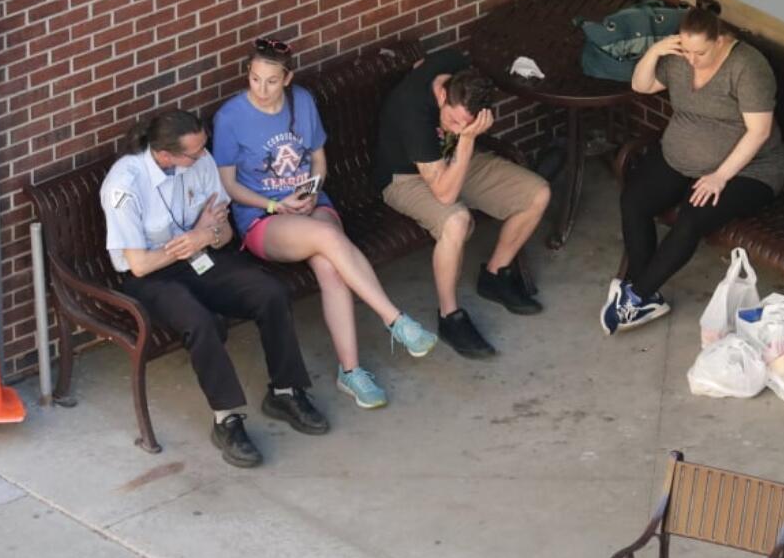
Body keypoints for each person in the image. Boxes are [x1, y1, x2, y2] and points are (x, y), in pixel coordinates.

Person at [212, 37, 437, 411]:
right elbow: (228, 184)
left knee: (330, 267)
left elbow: (318, 158)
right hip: (263, 218)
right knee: (327, 237)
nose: (262, 89)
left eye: (270, 81)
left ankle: (351, 371)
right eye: (254, 79)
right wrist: (274, 202)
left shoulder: (302, 101)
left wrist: (313, 190)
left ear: (287, 78)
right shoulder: (230, 117)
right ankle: (393, 318)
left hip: (311, 203)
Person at [100, 108, 328, 469]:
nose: (204, 155)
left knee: (269, 292)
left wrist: (204, 236)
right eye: (194, 152)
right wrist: (195, 237)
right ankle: (227, 420)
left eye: (203, 146)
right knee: (200, 321)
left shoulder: (200, 161)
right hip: (151, 278)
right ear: (165, 155)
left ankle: (285, 391)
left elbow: (222, 237)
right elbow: (140, 263)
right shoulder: (124, 185)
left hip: (199, 257)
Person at [602, 0, 784, 335]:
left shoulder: (748, 67)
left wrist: (719, 176)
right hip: (680, 156)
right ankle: (644, 294)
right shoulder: (678, 59)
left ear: (720, 40)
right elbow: (641, 85)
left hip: (748, 169)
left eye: (699, 53)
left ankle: (636, 296)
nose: (692, 59)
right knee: (634, 200)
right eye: (685, 51)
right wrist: (655, 52)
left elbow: (759, 132)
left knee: (691, 217)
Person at [374, 49, 550, 359]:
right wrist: (467, 140)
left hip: (451, 161)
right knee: (455, 220)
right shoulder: (414, 111)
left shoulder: (455, 70)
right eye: (453, 120)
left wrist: (463, 139)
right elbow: (444, 194)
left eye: (466, 124)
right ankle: (449, 316)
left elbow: (420, 63)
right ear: (442, 95)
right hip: (404, 178)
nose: (456, 128)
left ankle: (496, 273)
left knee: (537, 194)